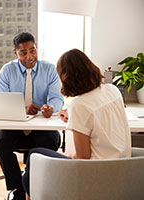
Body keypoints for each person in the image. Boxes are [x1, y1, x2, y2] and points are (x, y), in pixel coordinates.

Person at [21, 48, 132, 199]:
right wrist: (74, 117)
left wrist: (63, 156)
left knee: (34, 155)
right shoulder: (112, 90)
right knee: (34, 166)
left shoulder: (80, 105)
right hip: (122, 170)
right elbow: (100, 122)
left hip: (94, 174)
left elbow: (82, 157)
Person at [0, 32, 64, 200]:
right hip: (15, 124)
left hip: (41, 125)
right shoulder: (7, 70)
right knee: (0, 142)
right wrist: (22, 109)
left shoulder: (49, 69)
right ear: (16, 53)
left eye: (32, 50)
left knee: (51, 141)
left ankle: (33, 187)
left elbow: (57, 98)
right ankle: (17, 189)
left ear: (36, 48)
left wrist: (51, 108)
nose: (29, 56)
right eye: (23, 53)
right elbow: (0, 101)